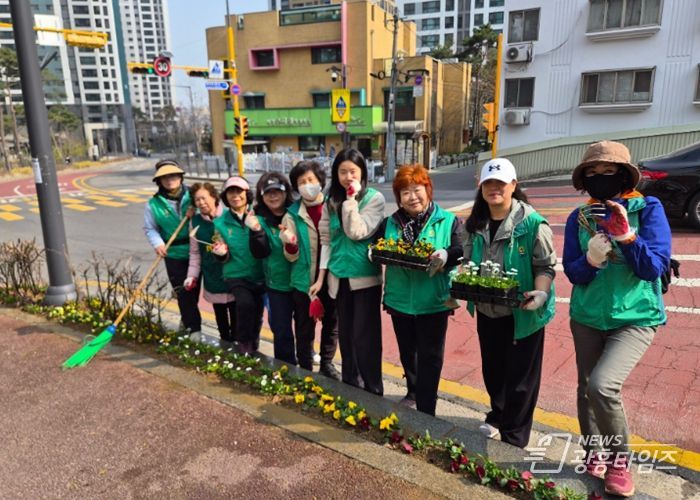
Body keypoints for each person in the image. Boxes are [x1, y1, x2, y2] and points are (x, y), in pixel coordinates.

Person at [563, 141, 671, 498]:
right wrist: (590, 260)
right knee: (585, 388)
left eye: (608, 171)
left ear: (623, 175)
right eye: (592, 173)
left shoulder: (647, 208)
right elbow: (573, 273)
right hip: (587, 316)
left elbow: (653, 267)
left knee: (602, 386)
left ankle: (618, 461)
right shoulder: (579, 217)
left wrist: (627, 236)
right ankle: (594, 450)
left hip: (635, 317)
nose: (600, 178)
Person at [462, 158, 556, 448]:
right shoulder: (475, 224)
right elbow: (467, 260)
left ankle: (514, 437)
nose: (495, 188)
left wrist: (541, 293)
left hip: (523, 312)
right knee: (493, 371)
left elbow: (545, 266)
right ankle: (498, 415)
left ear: (513, 185)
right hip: (488, 309)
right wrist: (461, 279)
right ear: (481, 187)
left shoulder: (532, 223)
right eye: (488, 183)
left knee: (521, 380)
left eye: (501, 183)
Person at [372, 165, 462, 415]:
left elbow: (461, 249)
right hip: (399, 300)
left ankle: (426, 407)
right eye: (405, 192)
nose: (412, 197)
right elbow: (375, 246)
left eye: (417, 190)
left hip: (434, 301)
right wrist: (373, 252)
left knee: (431, 357)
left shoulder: (448, 220)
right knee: (408, 353)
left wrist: (445, 255)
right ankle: (413, 390)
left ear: (428, 190)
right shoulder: (390, 223)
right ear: (399, 197)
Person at [319, 148, 385, 395]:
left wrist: (350, 200)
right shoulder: (330, 201)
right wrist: (322, 276)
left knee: (365, 337)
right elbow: (327, 240)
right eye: (343, 172)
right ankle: (351, 386)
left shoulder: (374, 199)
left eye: (353, 172)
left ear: (363, 173)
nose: (348, 177)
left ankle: (373, 389)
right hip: (339, 276)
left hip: (364, 277)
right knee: (346, 336)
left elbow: (356, 232)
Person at [281, 160, 340, 380]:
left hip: (331, 278)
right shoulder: (291, 215)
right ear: (296, 187)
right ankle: (305, 367)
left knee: (332, 323)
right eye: (301, 182)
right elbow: (290, 256)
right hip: (304, 282)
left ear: (320, 181)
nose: (307, 185)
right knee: (304, 327)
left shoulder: (334, 206)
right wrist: (291, 244)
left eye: (311, 180)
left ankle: (326, 363)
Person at [143, 160, 201, 338]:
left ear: (181, 177)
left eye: (173, 175)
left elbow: (210, 210)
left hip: (196, 251)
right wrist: (158, 243)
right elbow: (150, 228)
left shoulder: (194, 195)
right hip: (173, 253)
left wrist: (196, 212)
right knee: (183, 292)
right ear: (159, 181)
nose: (170, 180)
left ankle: (187, 319)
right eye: (165, 177)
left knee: (194, 291)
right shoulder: (153, 204)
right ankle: (193, 329)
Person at [247, 172, 297, 365]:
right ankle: (287, 369)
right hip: (277, 285)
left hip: (301, 282)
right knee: (281, 330)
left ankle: (306, 365)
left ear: (286, 192)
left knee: (304, 329)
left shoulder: (296, 214)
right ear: (262, 196)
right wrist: (256, 231)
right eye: (268, 192)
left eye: (277, 191)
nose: (273, 196)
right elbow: (259, 252)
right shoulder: (258, 220)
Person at [212, 176, 265, 355]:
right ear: (225, 197)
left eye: (239, 191)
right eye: (230, 192)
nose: (235, 196)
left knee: (257, 311)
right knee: (245, 304)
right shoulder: (220, 223)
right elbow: (219, 248)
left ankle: (254, 345)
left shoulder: (258, 217)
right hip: (235, 275)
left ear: (247, 194)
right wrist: (221, 253)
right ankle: (243, 343)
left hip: (259, 273)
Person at [185, 182, 236, 347]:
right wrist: (191, 276)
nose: (201, 203)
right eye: (197, 200)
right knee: (221, 318)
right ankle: (225, 346)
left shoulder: (230, 216)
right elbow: (195, 254)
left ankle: (238, 349)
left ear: (214, 197)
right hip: (212, 276)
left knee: (238, 318)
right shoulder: (195, 223)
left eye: (204, 198)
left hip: (233, 275)